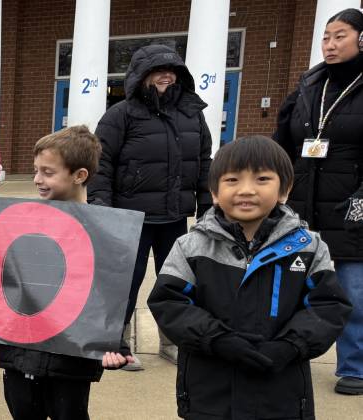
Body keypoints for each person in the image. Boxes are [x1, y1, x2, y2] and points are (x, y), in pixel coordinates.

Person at [148, 135, 352, 419]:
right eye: (232, 180)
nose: (246, 190)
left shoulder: (309, 246)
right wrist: (217, 339)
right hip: (210, 393)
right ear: (215, 191)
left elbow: (328, 307)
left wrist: (291, 345)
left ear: (285, 189)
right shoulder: (191, 246)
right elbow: (168, 303)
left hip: (281, 391)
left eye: (262, 179)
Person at [0, 126, 133, 420]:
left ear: (79, 175)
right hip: (19, 356)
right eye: (35, 171)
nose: (36, 179)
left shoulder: (104, 233)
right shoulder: (19, 224)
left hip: (69, 362)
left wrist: (114, 345)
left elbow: (107, 295)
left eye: (47, 172)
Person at [89, 44, 213, 370]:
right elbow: (100, 164)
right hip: (130, 217)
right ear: (141, 76)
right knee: (124, 282)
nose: (166, 75)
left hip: (173, 216)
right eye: (158, 70)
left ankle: (172, 341)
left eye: (172, 70)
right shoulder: (121, 115)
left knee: (176, 281)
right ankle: (117, 341)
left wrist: (208, 205)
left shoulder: (192, 114)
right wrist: (102, 204)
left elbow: (203, 162)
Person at [274, 8, 363, 396]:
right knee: (294, 285)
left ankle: (355, 366)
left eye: (339, 36)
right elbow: (283, 142)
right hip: (303, 205)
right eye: (326, 37)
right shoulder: (309, 85)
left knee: (351, 292)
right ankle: (290, 351)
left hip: (352, 208)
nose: (329, 44)